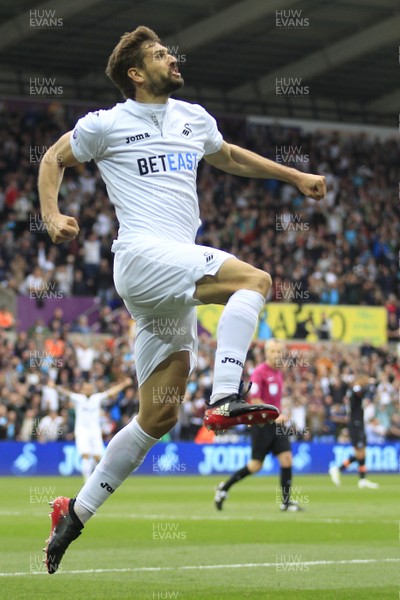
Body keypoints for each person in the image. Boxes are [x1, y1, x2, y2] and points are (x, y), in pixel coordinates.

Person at [38, 26, 325, 574]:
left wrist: (293, 176)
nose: (172, 58)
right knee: (255, 281)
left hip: (168, 283)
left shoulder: (194, 117)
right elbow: (53, 158)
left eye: (168, 50)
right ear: (136, 74)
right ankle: (225, 395)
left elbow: (231, 157)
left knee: (159, 415)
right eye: (159, 54)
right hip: (144, 258)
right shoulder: (107, 123)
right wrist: (51, 216)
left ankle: (73, 514)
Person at [214, 339, 304, 512]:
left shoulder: (278, 372)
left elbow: (273, 398)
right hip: (262, 424)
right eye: (274, 352)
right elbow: (254, 400)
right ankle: (224, 487)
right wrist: (274, 415)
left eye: (279, 352)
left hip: (276, 425)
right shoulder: (259, 372)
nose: (277, 355)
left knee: (286, 459)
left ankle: (285, 503)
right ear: (267, 354)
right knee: (256, 465)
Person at [57, 378, 133, 481]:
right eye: (86, 388)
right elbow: (65, 393)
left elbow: (111, 392)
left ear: (93, 389)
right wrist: (53, 386)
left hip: (95, 431)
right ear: (82, 390)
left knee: (98, 457)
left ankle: (98, 479)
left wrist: (123, 384)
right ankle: (87, 481)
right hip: (82, 431)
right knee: (85, 455)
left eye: (90, 388)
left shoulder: (97, 398)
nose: (88, 390)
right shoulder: (78, 398)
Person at [329, 376, 379, 489]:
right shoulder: (354, 389)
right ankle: (339, 469)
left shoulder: (356, 391)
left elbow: (369, 394)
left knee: (361, 453)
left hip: (359, 423)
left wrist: (372, 385)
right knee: (360, 453)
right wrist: (370, 384)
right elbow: (362, 390)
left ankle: (361, 479)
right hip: (355, 424)